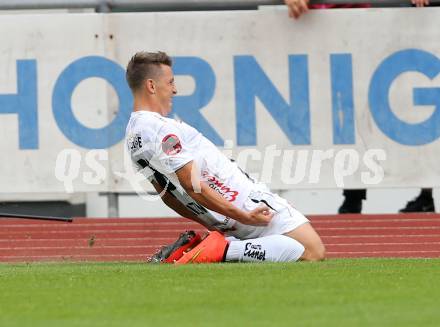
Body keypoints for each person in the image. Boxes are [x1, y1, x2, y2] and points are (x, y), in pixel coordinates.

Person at [124, 51, 325, 264]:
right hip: (244, 202)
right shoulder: (162, 129)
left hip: (222, 213)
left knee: (293, 252)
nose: (175, 89)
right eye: (171, 82)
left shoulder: (133, 136)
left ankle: (217, 246)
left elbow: (167, 196)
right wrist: (241, 216)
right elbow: (192, 185)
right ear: (151, 86)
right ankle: (222, 248)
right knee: (313, 251)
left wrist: (211, 221)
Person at [284, 0, 434, 214]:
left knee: (404, 104)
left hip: (368, 31)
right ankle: (353, 193)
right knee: (341, 116)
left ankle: (425, 191)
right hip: (320, 35)